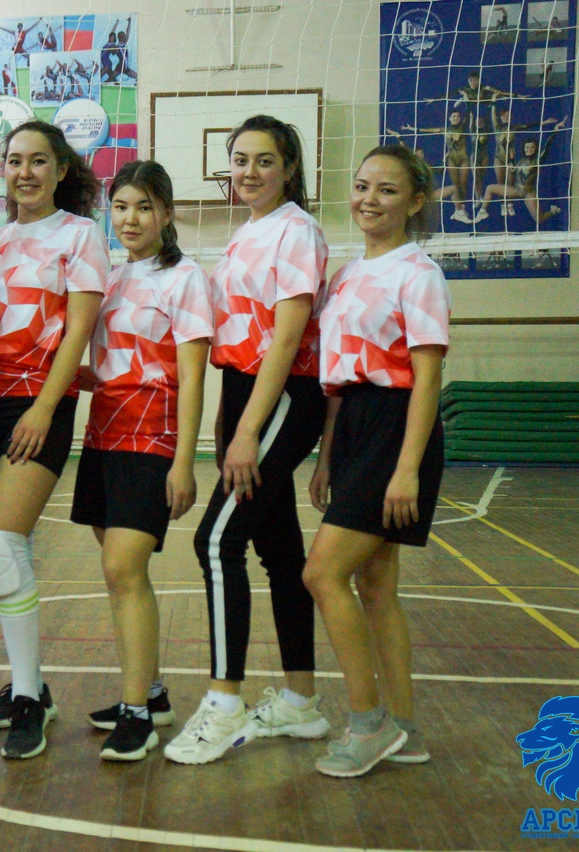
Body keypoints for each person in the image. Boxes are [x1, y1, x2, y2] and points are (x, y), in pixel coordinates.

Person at [165, 115, 330, 766]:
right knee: (280, 552)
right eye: (240, 160)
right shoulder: (245, 236)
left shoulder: (297, 231)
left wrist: (250, 429)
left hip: (282, 395)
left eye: (264, 160)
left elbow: (285, 341)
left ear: (289, 168)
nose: (250, 171)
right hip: (245, 394)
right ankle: (301, 701)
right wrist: (227, 419)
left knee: (216, 540)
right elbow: (236, 337)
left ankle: (224, 703)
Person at [305, 144, 450, 778]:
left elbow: (427, 377)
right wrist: (326, 456)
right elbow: (338, 380)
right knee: (376, 586)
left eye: (387, 190)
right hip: (355, 425)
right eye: (362, 186)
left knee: (322, 574)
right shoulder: (345, 276)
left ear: (414, 203)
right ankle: (406, 730)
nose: (369, 199)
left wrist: (407, 467)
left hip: (396, 425)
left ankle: (368, 724)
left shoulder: (418, 273)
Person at [0, 120, 109, 759]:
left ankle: (28, 697)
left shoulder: (80, 235)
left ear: (61, 169)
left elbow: (78, 331)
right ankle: (30, 686)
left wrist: (46, 408)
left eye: (38, 161)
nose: (25, 172)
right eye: (14, 161)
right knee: (10, 549)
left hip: (38, 404)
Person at [71, 160, 212, 761]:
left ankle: (136, 717)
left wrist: (184, 462)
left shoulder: (186, 278)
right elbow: (111, 365)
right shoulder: (110, 279)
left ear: (167, 213)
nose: (130, 219)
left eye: (145, 207)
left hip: (151, 442)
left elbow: (192, 377)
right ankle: (150, 694)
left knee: (122, 569)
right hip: (102, 438)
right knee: (121, 572)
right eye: (121, 206)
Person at [475, 120, 567, 225]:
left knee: (539, 219)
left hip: (528, 193)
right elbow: (513, 172)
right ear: (524, 148)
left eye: (532, 147)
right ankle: (482, 212)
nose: (529, 149)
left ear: (535, 148)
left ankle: (553, 211)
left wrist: (555, 129)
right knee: (489, 188)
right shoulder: (521, 161)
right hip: (515, 190)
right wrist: (512, 161)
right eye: (527, 147)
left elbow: (547, 147)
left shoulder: (537, 160)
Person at [401, 111, 471, 223]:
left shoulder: (426, 165)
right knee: (455, 186)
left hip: (428, 195)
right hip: (419, 198)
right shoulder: (412, 166)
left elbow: (440, 171)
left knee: (456, 187)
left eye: (422, 153)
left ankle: (459, 211)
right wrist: (404, 135)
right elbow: (406, 151)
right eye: (418, 153)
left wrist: (443, 162)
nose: (420, 154)